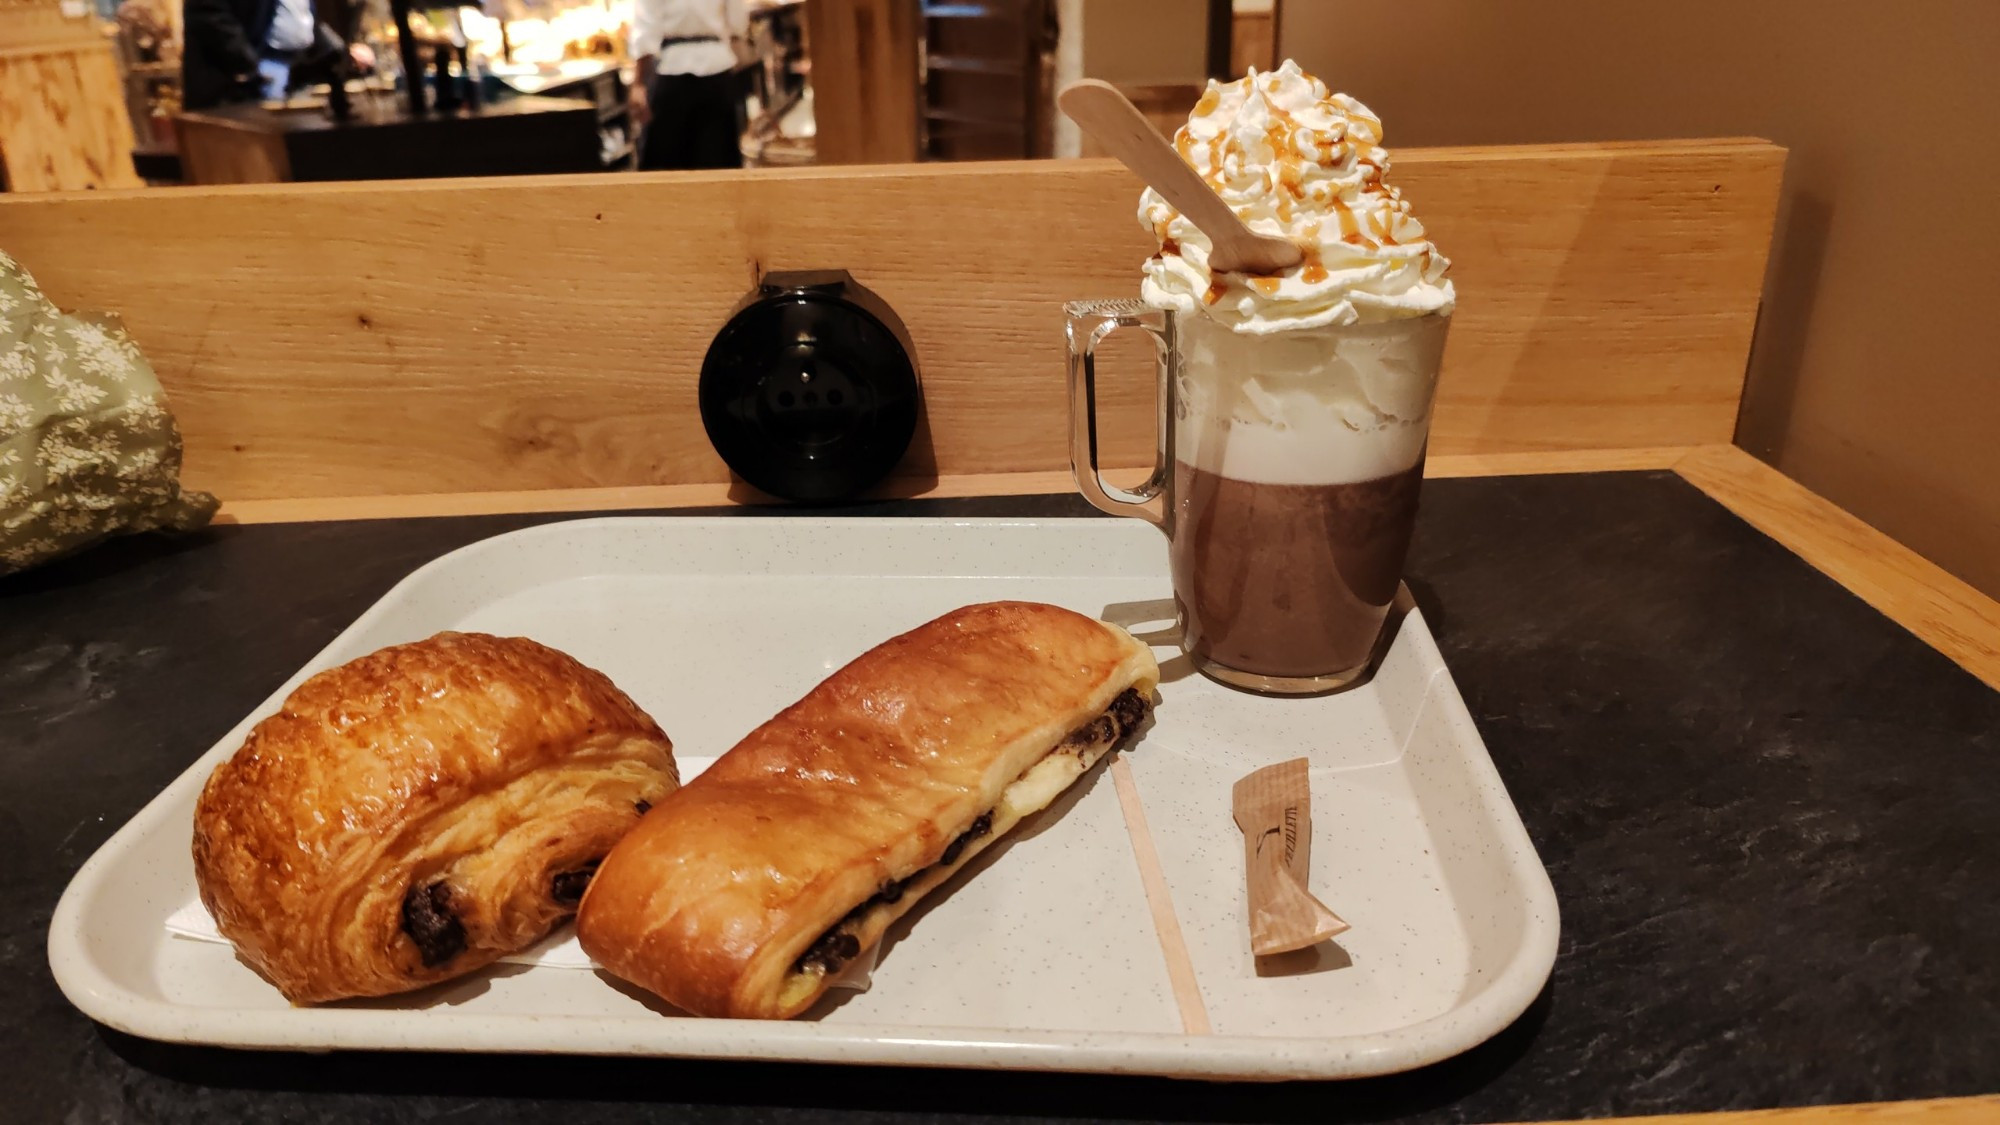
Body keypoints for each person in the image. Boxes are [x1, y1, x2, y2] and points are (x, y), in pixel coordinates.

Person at [181, 0, 371, 110]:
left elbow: (303, 20)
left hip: (295, 68)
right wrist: (252, 67)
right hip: (243, 79)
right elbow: (207, 14)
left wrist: (342, 53)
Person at [628, 0, 748, 170]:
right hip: (717, 68)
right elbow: (738, 23)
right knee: (720, 163)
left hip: (672, 69)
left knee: (666, 168)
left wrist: (638, 83)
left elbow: (646, 29)